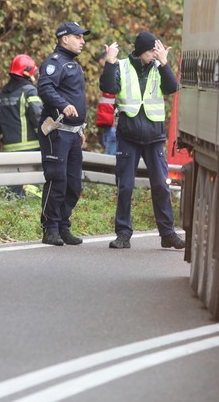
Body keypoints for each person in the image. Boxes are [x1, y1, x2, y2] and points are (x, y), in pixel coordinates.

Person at [100, 31, 185, 250]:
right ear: (141, 51)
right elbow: (108, 88)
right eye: (152, 51)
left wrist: (165, 63)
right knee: (125, 186)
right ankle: (123, 234)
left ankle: (167, 234)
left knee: (161, 186)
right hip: (128, 136)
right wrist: (110, 61)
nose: (155, 55)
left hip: (154, 137)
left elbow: (172, 88)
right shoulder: (121, 66)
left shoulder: (158, 67)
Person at [36, 21, 90, 246]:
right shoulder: (54, 63)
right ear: (64, 38)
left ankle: (63, 225)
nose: (83, 41)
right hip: (57, 132)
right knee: (57, 180)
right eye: (78, 37)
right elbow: (45, 88)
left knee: (74, 184)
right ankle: (50, 228)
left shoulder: (74, 64)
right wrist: (64, 105)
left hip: (73, 134)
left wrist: (81, 128)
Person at [0, 54, 43, 197]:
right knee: (32, 191)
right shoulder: (30, 91)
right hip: (31, 150)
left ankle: (12, 217)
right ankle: (28, 216)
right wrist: (45, 137)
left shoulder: (3, 93)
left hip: (9, 150)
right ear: (27, 72)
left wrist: (3, 138)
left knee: (12, 192)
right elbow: (38, 117)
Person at [95, 49, 117, 155]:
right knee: (109, 141)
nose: (103, 67)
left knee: (111, 142)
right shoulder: (109, 75)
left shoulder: (116, 73)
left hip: (112, 119)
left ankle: (109, 167)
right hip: (107, 119)